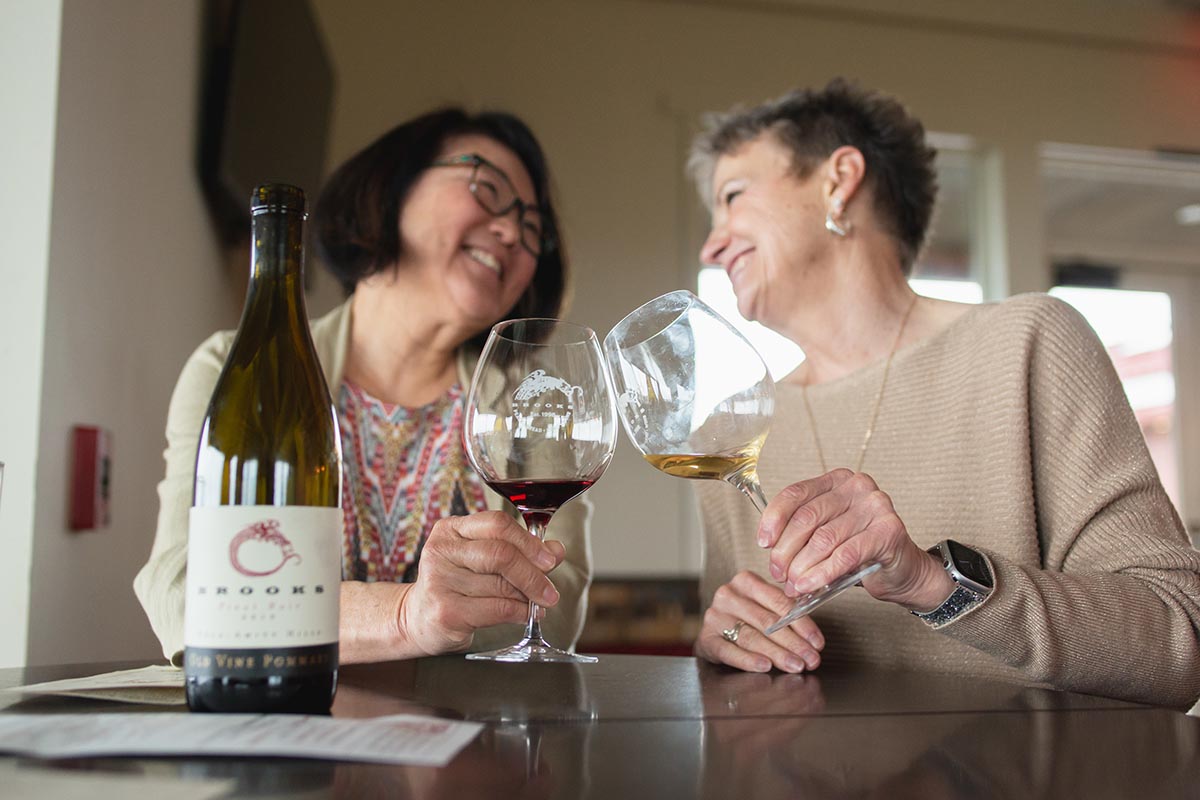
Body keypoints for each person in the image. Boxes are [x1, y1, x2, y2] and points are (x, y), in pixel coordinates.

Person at [686, 78, 1200, 708]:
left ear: (838, 179)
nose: (710, 245)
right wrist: (721, 645)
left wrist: (934, 581)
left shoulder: (1029, 344)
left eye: (733, 196)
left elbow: (1178, 641)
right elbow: (736, 676)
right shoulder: (730, 433)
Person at [135, 108, 591, 665]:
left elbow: (556, 605)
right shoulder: (232, 368)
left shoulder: (536, 401)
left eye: (532, 229)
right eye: (488, 188)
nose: (512, 232)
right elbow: (185, 596)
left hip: (471, 744)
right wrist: (406, 616)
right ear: (390, 189)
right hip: (278, 730)